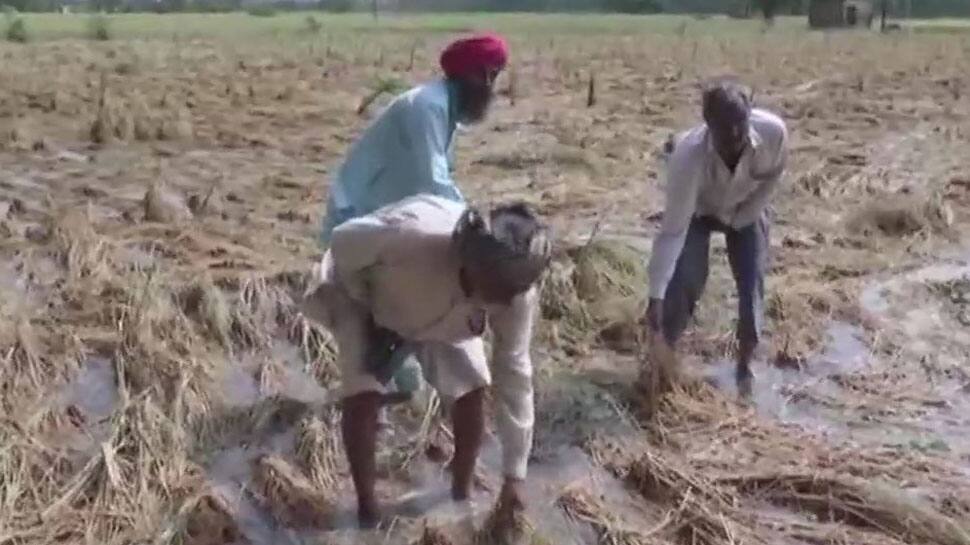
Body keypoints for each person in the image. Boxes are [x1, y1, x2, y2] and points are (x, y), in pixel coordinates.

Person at [302, 193, 551, 529]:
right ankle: (367, 512)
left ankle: (460, 495)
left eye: (501, 293)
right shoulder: (409, 237)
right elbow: (342, 242)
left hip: (447, 320)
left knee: (472, 388)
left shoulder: (515, 294)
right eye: (489, 286)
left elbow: (515, 371)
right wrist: (366, 304)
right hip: (373, 296)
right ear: (471, 260)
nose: (496, 298)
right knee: (362, 394)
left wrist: (514, 476)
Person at [644, 80, 788, 396]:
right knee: (686, 281)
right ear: (708, 126)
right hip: (699, 212)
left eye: (740, 129)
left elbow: (772, 178)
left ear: (749, 116)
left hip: (746, 208)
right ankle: (662, 357)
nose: (735, 141)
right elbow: (672, 231)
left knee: (751, 287)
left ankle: (744, 368)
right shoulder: (687, 158)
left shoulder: (774, 134)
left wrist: (744, 216)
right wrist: (655, 295)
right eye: (725, 135)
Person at [318, 33, 510, 246]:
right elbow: (432, 181)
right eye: (494, 75)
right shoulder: (427, 107)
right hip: (357, 218)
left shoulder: (444, 109)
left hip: (386, 218)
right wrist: (476, 226)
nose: (493, 88)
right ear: (483, 76)